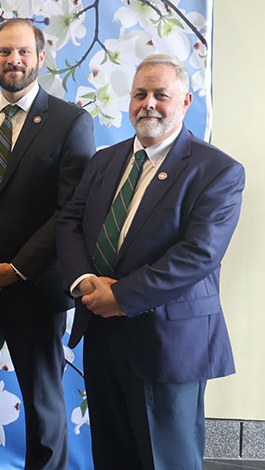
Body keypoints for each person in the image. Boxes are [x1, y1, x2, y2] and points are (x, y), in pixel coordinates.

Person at [56, 54, 244, 469]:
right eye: (140, 94)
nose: (149, 104)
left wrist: (120, 295)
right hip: (103, 333)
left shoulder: (218, 170)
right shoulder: (106, 160)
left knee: (167, 460)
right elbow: (69, 221)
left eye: (161, 94)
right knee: (113, 454)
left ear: (186, 100)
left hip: (169, 341)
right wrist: (85, 280)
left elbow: (199, 254)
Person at [0, 18, 95, 470]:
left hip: (35, 289)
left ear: (41, 57)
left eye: (23, 51)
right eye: (5, 52)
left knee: (44, 408)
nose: (14, 60)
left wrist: (18, 268)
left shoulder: (71, 122)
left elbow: (70, 211)